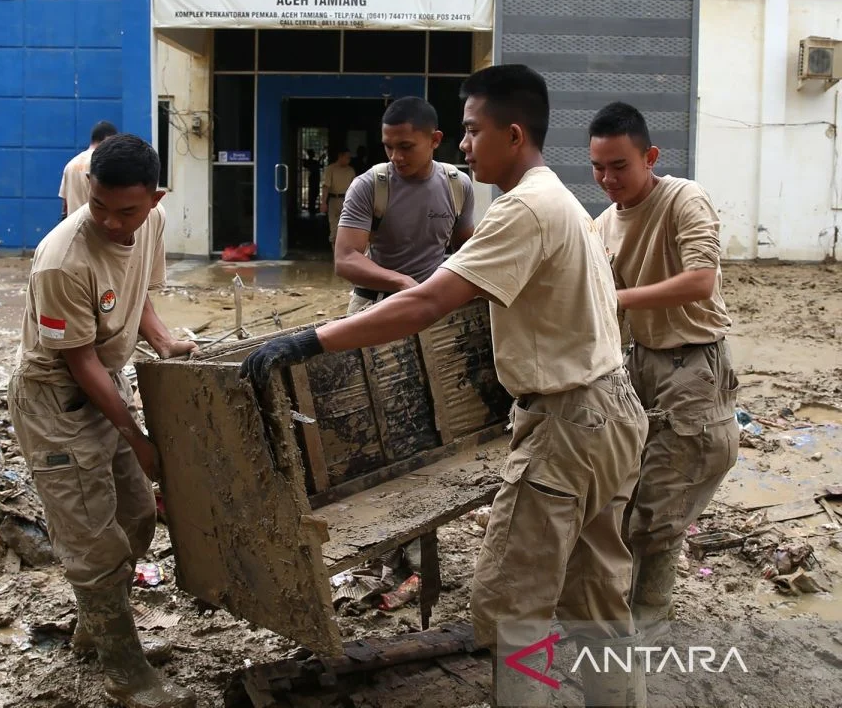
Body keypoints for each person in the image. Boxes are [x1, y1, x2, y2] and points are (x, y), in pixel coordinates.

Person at [240, 66, 646, 707]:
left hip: (568, 427)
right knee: (597, 592)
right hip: (611, 413)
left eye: (471, 130)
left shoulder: (523, 209)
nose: (462, 144)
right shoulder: (560, 199)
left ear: (513, 135)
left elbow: (428, 303)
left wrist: (308, 342)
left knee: (514, 606)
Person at [8, 133, 197, 708]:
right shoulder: (62, 260)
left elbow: (133, 291)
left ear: (155, 198)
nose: (114, 225)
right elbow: (78, 359)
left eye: (128, 211)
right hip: (56, 403)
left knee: (138, 519)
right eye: (100, 208)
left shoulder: (152, 224)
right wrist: (137, 437)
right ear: (86, 192)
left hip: (106, 387)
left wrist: (164, 341)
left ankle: (97, 622)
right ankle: (124, 672)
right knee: (94, 543)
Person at [590, 102, 739, 635]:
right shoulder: (603, 223)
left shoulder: (684, 198)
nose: (608, 179)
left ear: (650, 156)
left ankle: (649, 617)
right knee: (628, 497)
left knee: (660, 504)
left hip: (694, 364)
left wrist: (618, 297)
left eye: (620, 166)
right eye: (598, 168)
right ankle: (634, 606)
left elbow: (701, 280)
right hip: (638, 366)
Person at [334, 97, 474, 315]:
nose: (395, 157)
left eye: (405, 147)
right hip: (374, 305)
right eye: (388, 147)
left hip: (431, 306)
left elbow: (465, 250)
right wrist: (402, 282)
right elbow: (345, 259)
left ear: (435, 140)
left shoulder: (457, 184)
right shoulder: (369, 185)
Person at [59, 120, 118, 217]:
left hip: (73, 228)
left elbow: (65, 206)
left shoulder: (70, 164)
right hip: (95, 226)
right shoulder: (104, 162)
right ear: (108, 139)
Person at [318, 149, 356, 246]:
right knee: (334, 230)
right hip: (334, 200)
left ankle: (344, 257)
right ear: (340, 156)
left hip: (347, 201)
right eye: (347, 158)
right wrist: (323, 202)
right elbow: (326, 186)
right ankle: (336, 258)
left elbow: (355, 188)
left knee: (347, 230)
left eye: (349, 158)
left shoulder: (350, 170)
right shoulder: (330, 169)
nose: (349, 160)